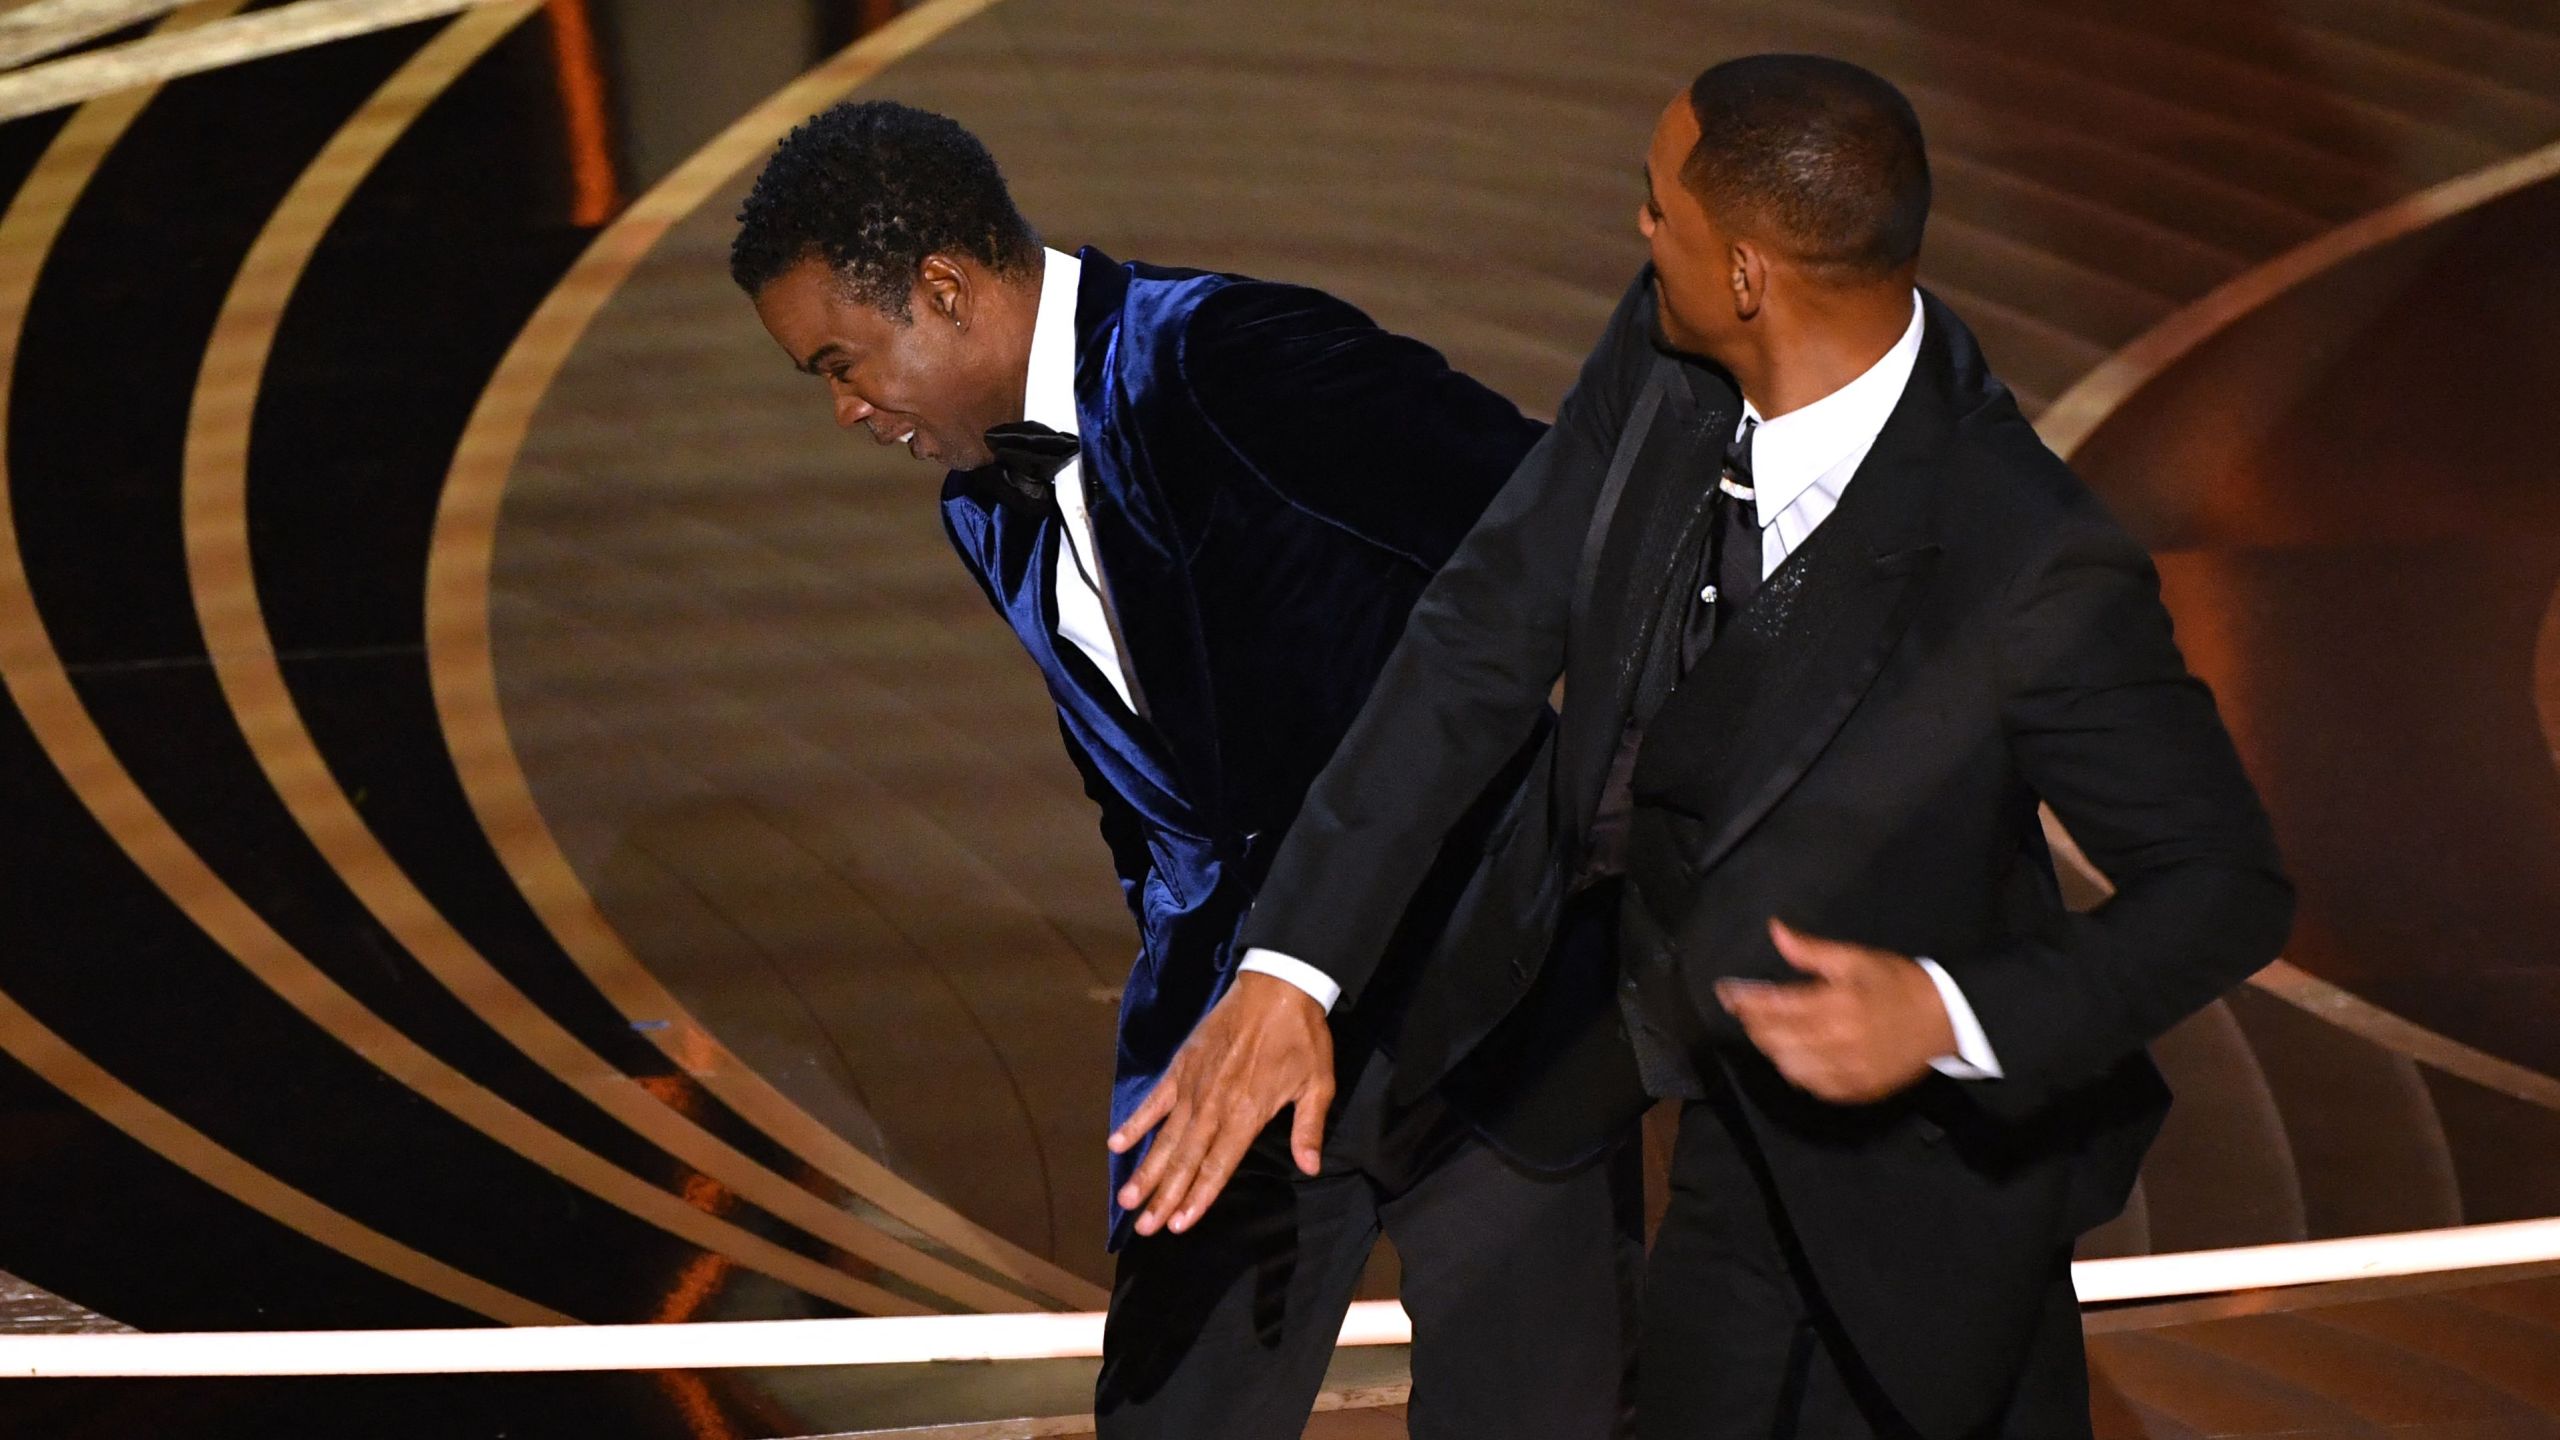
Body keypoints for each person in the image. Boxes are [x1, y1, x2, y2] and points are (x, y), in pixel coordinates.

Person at [1114, 55, 2295, 1439]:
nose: (1637, 230)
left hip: (1916, 1188)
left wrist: (1947, 1015)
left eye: (1655, 207)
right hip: (1692, 1095)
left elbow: (2225, 886)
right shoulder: (1672, 349)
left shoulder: (2027, 562)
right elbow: (1481, 634)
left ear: (1748, 274)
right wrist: (1290, 967)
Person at [730, 101, 1636, 1440]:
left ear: (942, 290)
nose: (846, 409)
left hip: (1488, 1001)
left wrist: (1611, 838)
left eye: (842, 363)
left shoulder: (1232, 359)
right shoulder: (983, 506)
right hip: (1231, 1036)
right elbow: (1140, 791)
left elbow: (1560, 536)